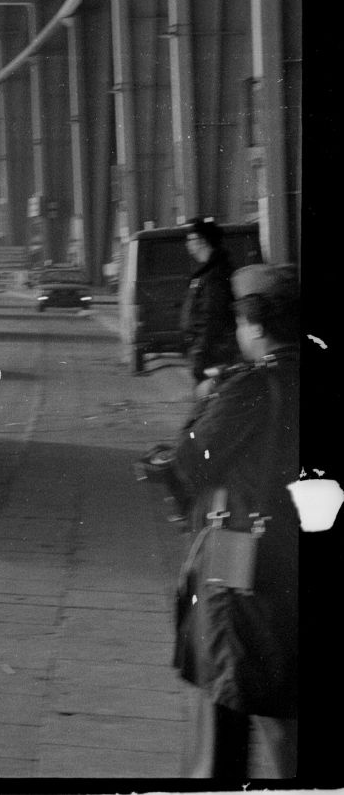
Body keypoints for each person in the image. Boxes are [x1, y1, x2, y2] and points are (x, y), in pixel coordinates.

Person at [141, 262, 300, 779]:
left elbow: (192, 460)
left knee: (233, 680)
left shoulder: (252, 386)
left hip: (243, 551)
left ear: (253, 326)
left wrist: (204, 404)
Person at [181, 216, 240, 385]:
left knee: (210, 401)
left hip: (212, 354)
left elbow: (211, 318)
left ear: (202, 240)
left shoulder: (214, 275)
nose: (187, 244)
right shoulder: (207, 272)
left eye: (190, 239)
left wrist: (199, 355)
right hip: (208, 351)